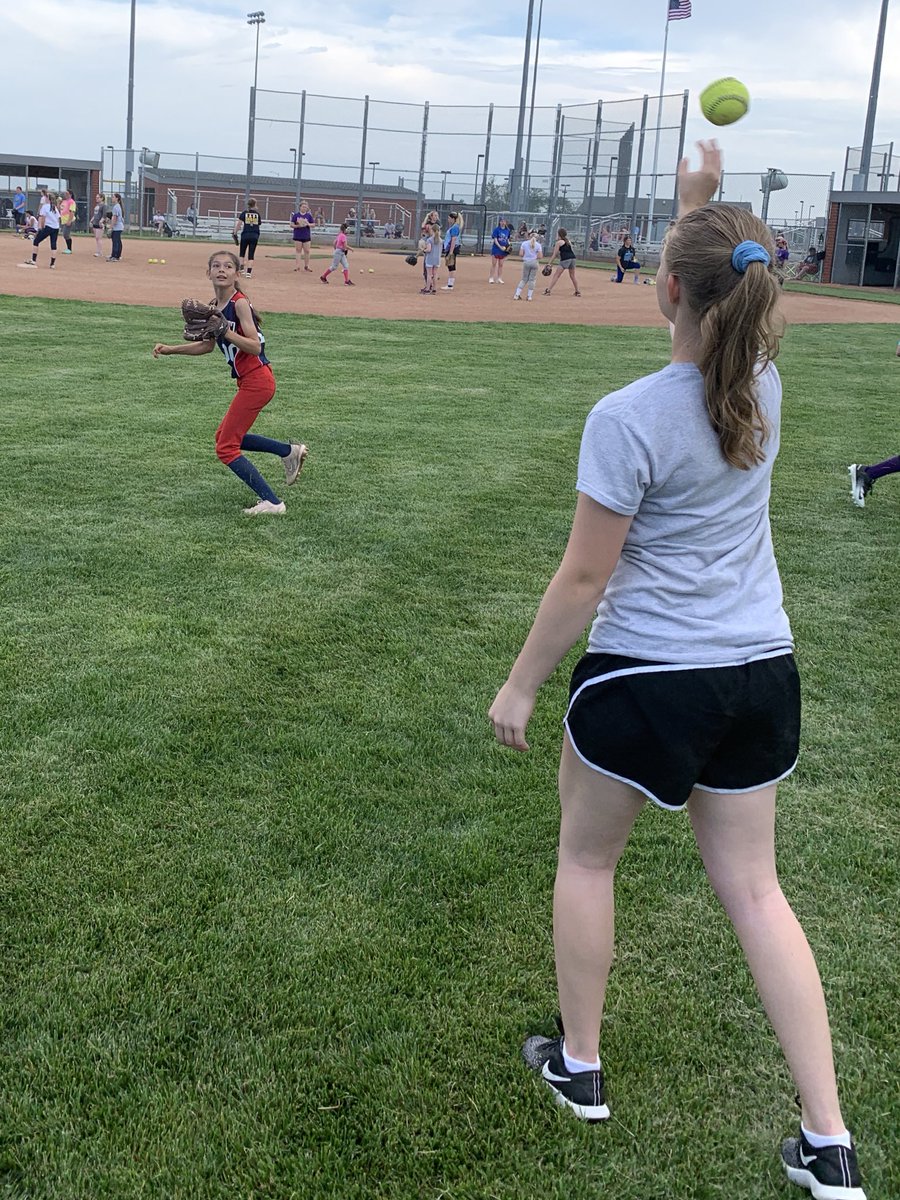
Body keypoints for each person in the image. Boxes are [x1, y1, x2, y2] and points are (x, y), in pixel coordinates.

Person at [489, 141, 866, 1200]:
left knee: (588, 861)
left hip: (649, 679)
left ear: (663, 291)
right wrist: (698, 205)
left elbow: (581, 579)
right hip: (760, 675)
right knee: (756, 891)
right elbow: (714, 281)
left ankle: (582, 1066)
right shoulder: (767, 387)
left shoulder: (629, 417)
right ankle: (827, 1141)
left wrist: (521, 682)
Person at [152, 250, 308, 516]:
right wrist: (171, 350)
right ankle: (288, 451)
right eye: (216, 266)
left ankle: (272, 502)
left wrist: (226, 330)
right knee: (222, 437)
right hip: (249, 382)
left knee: (226, 448)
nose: (221, 270)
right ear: (208, 272)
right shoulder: (216, 305)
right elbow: (207, 346)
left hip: (258, 380)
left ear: (237, 273)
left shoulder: (239, 303)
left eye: (228, 266)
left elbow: (255, 346)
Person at [18, 191, 60, 269]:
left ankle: (33, 260)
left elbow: (42, 218)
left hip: (48, 227)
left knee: (36, 241)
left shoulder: (45, 206)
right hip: (56, 228)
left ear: (47, 198)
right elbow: (58, 218)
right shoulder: (54, 207)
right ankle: (52, 264)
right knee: (53, 245)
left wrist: (41, 227)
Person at [543, 227, 581, 296]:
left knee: (556, 275)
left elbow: (555, 254)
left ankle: (548, 290)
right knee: (572, 276)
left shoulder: (559, 242)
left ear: (559, 234)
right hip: (573, 258)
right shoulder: (568, 241)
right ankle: (577, 291)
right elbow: (570, 250)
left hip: (565, 259)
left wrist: (549, 263)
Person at [234, 197, 262, 278]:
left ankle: (242, 270)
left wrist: (235, 232)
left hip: (245, 234)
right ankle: (249, 273)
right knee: (251, 254)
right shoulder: (257, 214)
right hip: (254, 235)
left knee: (242, 253)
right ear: (255, 205)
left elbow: (239, 224)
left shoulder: (244, 213)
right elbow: (259, 224)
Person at [513, 229, 542, 301]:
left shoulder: (524, 243)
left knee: (524, 279)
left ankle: (517, 295)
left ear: (529, 235)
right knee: (532, 280)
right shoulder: (538, 245)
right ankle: (529, 296)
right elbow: (540, 256)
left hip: (526, 262)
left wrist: (527, 256)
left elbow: (521, 254)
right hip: (534, 262)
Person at [290, 199, 314, 272]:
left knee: (307, 251)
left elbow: (313, 224)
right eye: (303, 207)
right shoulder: (296, 215)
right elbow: (291, 224)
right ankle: (297, 266)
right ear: (300, 207)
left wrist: (308, 224)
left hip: (306, 235)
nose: (304, 208)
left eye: (306, 207)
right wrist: (298, 226)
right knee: (298, 251)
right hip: (298, 235)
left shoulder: (308, 216)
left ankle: (307, 266)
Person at [441, 211, 463, 291]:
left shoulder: (455, 227)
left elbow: (453, 239)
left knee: (451, 266)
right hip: (450, 248)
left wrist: (450, 252)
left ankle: (450, 285)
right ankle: (450, 284)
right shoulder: (454, 227)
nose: (448, 219)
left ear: (453, 219)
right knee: (450, 266)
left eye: (449, 218)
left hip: (452, 249)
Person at [419, 221, 441, 294]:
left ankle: (427, 289)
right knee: (435, 274)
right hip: (437, 259)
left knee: (429, 274)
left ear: (432, 230)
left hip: (430, 259)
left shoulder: (430, 240)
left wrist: (423, 250)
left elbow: (429, 249)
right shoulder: (440, 240)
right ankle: (434, 289)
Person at [489, 216, 512, 284]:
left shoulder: (507, 230)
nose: (503, 222)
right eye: (501, 221)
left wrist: (509, 245)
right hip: (496, 249)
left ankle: (499, 278)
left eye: (504, 221)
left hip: (503, 250)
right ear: (499, 222)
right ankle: (491, 277)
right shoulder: (496, 230)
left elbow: (507, 239)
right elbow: (495, 240)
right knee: (494, 264)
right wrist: (500, 247)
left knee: (501, 264)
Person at [108, 193, 124, 261]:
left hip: (117, 227)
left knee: (115, 241)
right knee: (118, 241)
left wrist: (111, 227)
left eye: (113, 197)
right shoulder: (118, 206)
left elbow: (115, 218)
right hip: (119, 226)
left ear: (117, 198)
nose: (112, 198)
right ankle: (118, 255)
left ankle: (115, 256)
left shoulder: (116, 207)